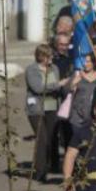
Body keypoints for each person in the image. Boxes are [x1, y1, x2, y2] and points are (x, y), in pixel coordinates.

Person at [26, 44, 63, 182]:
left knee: (52, 137)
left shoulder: (54, 69)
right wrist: (57, 85)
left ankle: (51, 164)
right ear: (41, 57)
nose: (52, 58)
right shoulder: (31, 70)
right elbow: (38, 88)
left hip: (51, 106)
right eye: (49, 56)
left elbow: (54, 89)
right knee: (42, 138)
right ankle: (40, 171)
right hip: (36, 108)